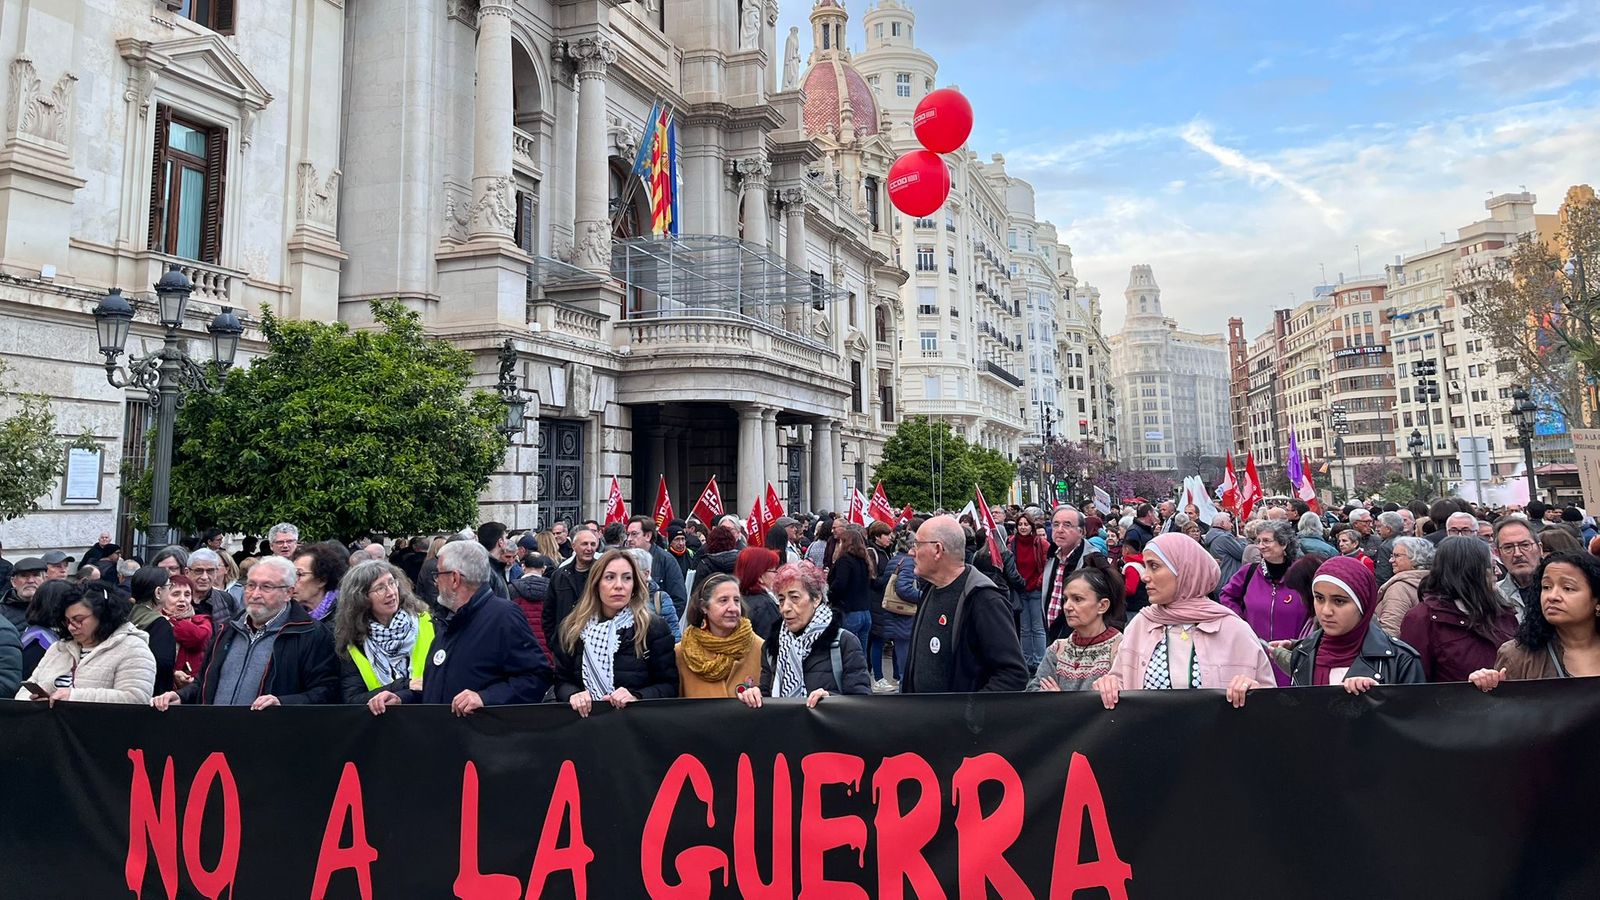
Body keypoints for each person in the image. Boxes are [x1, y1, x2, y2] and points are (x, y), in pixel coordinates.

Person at [1095, 533, 1276, 709]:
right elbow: (1120, 682)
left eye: (1154, 566)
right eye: (1146, 566)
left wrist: (1254, 693)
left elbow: (1270, 703)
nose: (1145, 576)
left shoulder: (1233, 629)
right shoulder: (1141, 624)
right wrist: (1110, 685)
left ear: (1184, 570)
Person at [368, 542, 550, 716]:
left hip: (480, 734)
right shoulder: (449, 618)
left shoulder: (503, 616)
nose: (435, 582)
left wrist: (485, 698)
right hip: (446, 733)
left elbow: (536, 678)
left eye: (438, 574)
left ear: (454, 579)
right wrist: (403, 698)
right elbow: (440, 688)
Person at [151, 555, 339, 710]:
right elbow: (205, 682)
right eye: (250, 585)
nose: (255, 594)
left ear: (288, 593)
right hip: (216, 736)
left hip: (271, 737)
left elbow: (326, 691)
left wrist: (282, 703)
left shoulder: (310, 634)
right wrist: (181, 696)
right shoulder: (228, 629)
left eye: (266, 587)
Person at [1241, 557, 1424, 700]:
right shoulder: (1304, 653)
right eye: (1319, 598)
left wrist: (1379, 700)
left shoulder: (1401, 660)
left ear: (1363, 604)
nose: (1326, 611)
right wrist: (1257, 696)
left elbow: (1414, 725)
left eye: (1339, 601)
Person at [901, 515, 1028, 693]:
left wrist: (968, 708)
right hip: (920, 710)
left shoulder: (984, 600)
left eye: (917, 545)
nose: (911, 552)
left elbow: (1013, 674)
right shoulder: (930, 588)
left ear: (938, 550)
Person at [552, 549, 678, 716]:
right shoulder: (572, 628)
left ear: (634, 585)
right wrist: (573, 694)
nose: (619, 585)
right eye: (610, 577)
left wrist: (637, 696)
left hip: (635, 724)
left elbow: (669, 686)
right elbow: (561, 681)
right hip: (585, 724)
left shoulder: (653, 628)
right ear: (596, 584)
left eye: (627, 578)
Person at [742, 561, 871, 708]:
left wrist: (830, 700)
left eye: (794, 598)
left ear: (816, 598)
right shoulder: (772, 646)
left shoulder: (843, 642)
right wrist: (755, 695)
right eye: (781, 599)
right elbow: (767, 696)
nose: (785, 608)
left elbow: (862, 703)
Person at [1471, 551, 1600, 689]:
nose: (1552, 596)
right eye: (1546, 587)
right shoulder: (1518, 656)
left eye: (1568, 588)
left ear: (1597, 600)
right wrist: (1484, 686)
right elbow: (1503, 702)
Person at [1399, 536, 1518, 682]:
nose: (1499, 572)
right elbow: (1414, 683)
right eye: (1492, 568)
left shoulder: (1502, 612)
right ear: (1471, 571)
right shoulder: (1422, 619)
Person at [18, 582, 157, 705]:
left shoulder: (133, 648)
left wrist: (73, 697)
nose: (71, 627)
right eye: (67, 621)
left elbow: (135, 699)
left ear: (102, 615)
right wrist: (34, 701)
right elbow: (24, 691)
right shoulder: (58, 648)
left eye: (79, 620)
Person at [334, 560, 437, 703]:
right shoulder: (352, 640)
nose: (391, 592)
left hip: (427, 711)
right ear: (361, 598)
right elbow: (353, 700)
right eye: (380, 588)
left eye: (392, 583)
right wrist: (404, 685)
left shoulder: (427, 622)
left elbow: (443, 681)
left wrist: (402, 695)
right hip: (381, 716)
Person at [1219, 520, 1306, 685]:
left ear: (1284, 544)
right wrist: (1240, 622)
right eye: (1258, 541)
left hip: (1292, 659)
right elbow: (1227, 595)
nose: (1260, 546)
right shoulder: (1249, 572)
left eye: (1266, 541)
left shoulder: (1301, 574)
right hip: (1254, 657)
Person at [1027, 555, 1125, 692]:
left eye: (1078, 599)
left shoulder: (1120, 649)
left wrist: (1060, 700)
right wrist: (1048, 697)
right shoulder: (1057, 649)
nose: (1067, 606)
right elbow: (1032, 691)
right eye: (1065, 599)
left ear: (1102, 605)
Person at [676, 573, 763, 698]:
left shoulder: (759, 648)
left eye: (736, 600)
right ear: (704, 607)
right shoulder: (683, 652)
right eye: (723, 600)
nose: (733, 608)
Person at [872, 530, 918, 691]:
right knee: (905, 658)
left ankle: (902, 685)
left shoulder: (896, 559)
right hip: (904, 615)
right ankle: (905, 692)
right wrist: (923, 595)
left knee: (901, 653)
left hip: (894, 614)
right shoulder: (909, 562)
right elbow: (904, 589)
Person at [1040, 505, 1089, 645]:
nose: (1060, 530)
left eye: (1067, 525)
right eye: (1056, 524)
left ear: (1081, 531)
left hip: (1081, 640)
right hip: (1052, 637)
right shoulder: (1052, 556)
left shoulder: (1091, 560)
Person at [547, 527, 601, 650]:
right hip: (565, 645)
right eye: (584, 544)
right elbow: (549, 611)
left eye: (593, 544)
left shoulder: (603, 573)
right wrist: (554, 642)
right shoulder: (560, 575)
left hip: (594, 645)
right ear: (573, 546)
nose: (589, 548)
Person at [127, 568, 179, 696]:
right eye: (169, 586)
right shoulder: (160, 624)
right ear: (158, 592)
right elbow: (163, 665)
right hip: (152, 694)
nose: (170, 589)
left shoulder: (127, 615)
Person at [626, 515, 688, 620]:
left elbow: (678, 599)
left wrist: (663, 625)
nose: (629, 539)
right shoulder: (624, 559)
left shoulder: (666, 560)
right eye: (628, 534)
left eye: (634, 534)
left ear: (648, 536)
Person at [1009, 510, 1050, 670]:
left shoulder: (1041, 543)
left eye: (1026, 524)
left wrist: (1038, 583)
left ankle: (1040, 663)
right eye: (1020, 524)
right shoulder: (1012, 543)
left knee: (1038, 628)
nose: (1023, 527)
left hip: (1036, 590)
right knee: (1024, 629)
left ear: (1032, 526)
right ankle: (1027, 662)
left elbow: (1047, 565)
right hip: (1020, 589)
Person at [827, 525, 876, 654]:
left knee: (848, 653)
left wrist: (830, 596)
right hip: (865, 612)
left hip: (850, 611)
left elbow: (840, 584)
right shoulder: (864, 561)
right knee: (861, 653)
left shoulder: (845, 560)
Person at [1375, 537, 1434, 638]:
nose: (1391, 560)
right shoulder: (1434, 582)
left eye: (1396, 556)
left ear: (1415, 558)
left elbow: (1390, 631)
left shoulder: (1399, 588)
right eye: (1391, 556)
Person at [161, 574, 211, 689]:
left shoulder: (201, 621)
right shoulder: (155, 623)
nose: (182, 599)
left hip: (194, 688)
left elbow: (197, 637)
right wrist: (173, 673)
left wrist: (170, 621)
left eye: (187, 594)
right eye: (175, 594)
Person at [624, 547, 683, 641]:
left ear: (646, 574)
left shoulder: (660, 599)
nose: (627, 578)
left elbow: (674, 636)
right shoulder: (620, 597)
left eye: (632, 573)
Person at [508, 553, 556, 661]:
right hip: (547, 649)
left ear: (523, 567)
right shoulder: (552, 588)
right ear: (543, 569)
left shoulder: (512, 589)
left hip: (520, 648)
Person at [1492, 517, 1541, 620]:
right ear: (1498, 554)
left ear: (1540, 548)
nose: (1517, 554)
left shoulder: (1558, 590)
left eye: (1525, 545)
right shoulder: (1494, 596)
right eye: (1508, 547)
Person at [185, 548, 242, 633]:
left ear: (216, 573)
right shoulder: (176, 601)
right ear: (187, 572)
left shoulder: (227, 600)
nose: (204, 577)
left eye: (210, 571)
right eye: (198, 571)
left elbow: (237, 631)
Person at [734, 547, 782, 640]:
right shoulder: (765, 606)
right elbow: (771, 643)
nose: (777, 574)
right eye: (774, 570)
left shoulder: (738, 599)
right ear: (760, 576)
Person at [292, 542, 347, 622]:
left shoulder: (345, 614)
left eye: (299, 574)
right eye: (292, 574)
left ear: (322, 580)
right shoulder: (291, 613)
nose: (291, 581)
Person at [687, 524, 741, 602]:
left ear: (710, 543)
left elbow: (697, 593)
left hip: (711, 604)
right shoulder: (742, 561)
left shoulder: (705, 564)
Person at [2, 556, 47, 632]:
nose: (30, 581)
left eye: (36, 575)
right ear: (13, 582)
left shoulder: (57, 607)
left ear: (45, 580)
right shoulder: (2, 612)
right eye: (24, 575)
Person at [1203, 514, 1246, 588]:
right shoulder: (1224, 538)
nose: (1231, 525)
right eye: (1229, 521)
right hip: (1229, 581)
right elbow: (1242, 554)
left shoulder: (1211, 536)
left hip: (1220, 579)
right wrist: (1242, 540)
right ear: (1222, 523)